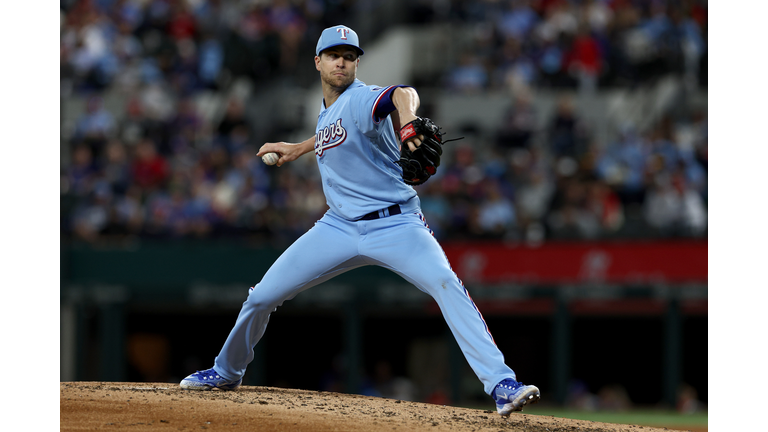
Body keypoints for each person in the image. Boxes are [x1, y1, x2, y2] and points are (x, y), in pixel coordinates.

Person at [179, 25, 540, 416]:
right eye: (334, 55)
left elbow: (403, 93)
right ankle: (227, 370)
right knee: (262, 296)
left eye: (349, 57)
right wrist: (298, 148)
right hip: (338, 227)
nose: (342, 62)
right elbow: (334, 133)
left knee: (445, 284)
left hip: (396, 225)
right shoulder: (328, 112)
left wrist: (406, 123)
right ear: (317, 62)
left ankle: (502, 383)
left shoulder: (361, 98)